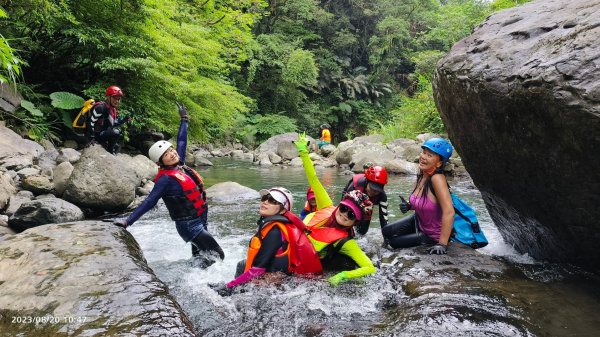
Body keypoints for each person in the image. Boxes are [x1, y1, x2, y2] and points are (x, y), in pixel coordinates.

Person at [113, 102, 225, 267]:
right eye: (166, 154)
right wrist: (128, 221)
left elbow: (181, 140)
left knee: (202, 256)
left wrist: (184, 119)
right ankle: (197, 279)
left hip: (200, 218)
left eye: (171, 151)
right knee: (218, 255)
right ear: (160, 162)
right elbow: (150, 202)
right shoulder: (165, 179)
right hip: (189, 224)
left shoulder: (180, 166)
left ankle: (195, 279)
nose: (172, 154)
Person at [295, 132, 376, 286]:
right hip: (291, 247)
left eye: (351, 215)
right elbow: (313, 179)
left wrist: (342, 276)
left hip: (302, 266)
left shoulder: (346, 242)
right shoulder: (327, 206)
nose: (345, 214)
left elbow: (370, 268)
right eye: (344, 208)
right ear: (340, 205)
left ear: (355, 222)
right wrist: (303, 153)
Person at [223, 188, 321, 291]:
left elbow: (257, 270)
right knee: (241, 264)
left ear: (283, 210)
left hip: (274, 284)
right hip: (275, 275)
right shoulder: (275, 226)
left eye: (273, 201)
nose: (265, 202)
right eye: (265, 198)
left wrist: (228, 287)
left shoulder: (275, 231)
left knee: (230, 288)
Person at [382, 137, 455, 255]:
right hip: (419, 221)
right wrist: (410, 206)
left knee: (393, 242)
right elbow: (427, 202)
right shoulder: (422, 173)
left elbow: (449, 212)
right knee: (386, 231)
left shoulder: (437, 179)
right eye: (424, 152)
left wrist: (442, 244)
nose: (423, 157)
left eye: (430, 155)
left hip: (432, 234)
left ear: (439, 163)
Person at [342, 165, 389, 235]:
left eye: (377, 191)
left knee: (363, 232)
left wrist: (386, 239)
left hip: (367, 205)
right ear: (367, 181)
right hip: (352, 199)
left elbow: (383, 219)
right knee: (347, 220)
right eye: (371, 188)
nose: (373, 192)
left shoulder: (382, 196)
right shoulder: (354, 186)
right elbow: (343, 208)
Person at [86, 85, 131, 154]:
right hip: (95, 135)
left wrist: (124, 120)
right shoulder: (100, 108)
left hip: (102, 133)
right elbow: (90, 122)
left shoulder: (112, 109)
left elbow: (113, 124)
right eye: (114, 98)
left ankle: (110, 150)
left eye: (118, 99)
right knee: (116, 132)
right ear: (108, 97)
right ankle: (109, 152)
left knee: (117, 142)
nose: (116, 101)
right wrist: (91, 138)